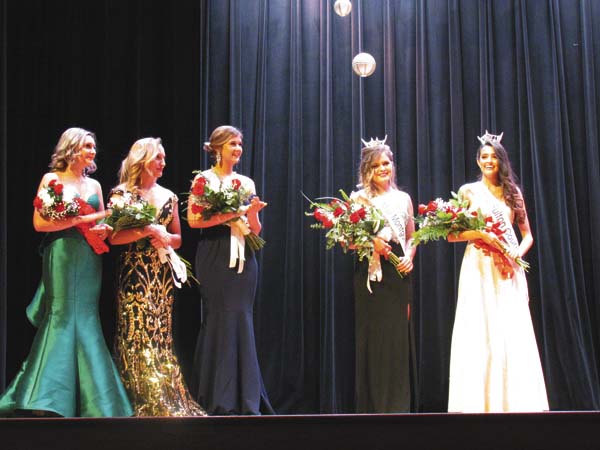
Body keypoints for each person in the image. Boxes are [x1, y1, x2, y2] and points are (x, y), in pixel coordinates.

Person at [0, 127, 132, 417]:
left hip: (89, 257)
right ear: (71, 149)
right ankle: (45, 397)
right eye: (87, 146)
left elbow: (104, 229)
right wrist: (77, 221)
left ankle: (97, 402)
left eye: (93, 147)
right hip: (60, 253)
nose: (92, 151)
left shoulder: (95, 185)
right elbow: (39, 224)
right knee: (60, 315)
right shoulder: (52, 180)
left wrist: (105, 227)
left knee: (86, 315)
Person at [447, 132, 548, 412]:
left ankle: (513, 402)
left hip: (506, 268)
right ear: (478, 161)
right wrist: (481, 234)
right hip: (478, 266)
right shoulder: (468, 192)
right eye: (484, 156)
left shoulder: (513, 193)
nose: (489, 161)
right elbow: (452, 235)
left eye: (493, 156)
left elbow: (527, 235)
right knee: (479, 328)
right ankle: (479, 403)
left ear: (501, 160)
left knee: (509, 329)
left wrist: (517, 252)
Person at [108, 137, 206, 416]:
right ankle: (133, 397)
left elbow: (178, 239)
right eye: (158, 158)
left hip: (161, 272)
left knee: (159, 331)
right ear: (143, 160)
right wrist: (145, 231)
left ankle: (162, 393)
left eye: (164, 158)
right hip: (133, 271)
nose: (163, 163)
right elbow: (114, 238)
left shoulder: (169, 196)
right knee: (134, 329)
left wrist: (164, 238)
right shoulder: (121, 194)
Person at [187, 125, 273, 415]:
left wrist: (252, 214)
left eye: (239, 144)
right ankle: (217, 396)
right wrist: (232, 214)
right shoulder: (204, 179)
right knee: (218, 317)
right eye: (232, 144)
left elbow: (255, 230)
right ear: (217, 148)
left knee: (241, 318)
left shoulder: (245, 182)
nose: (237, 149)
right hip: (215, 253)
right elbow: (194, 221)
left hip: (244, 256)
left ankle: (246, 397)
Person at [350, 137, 416, 413]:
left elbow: (412, 237)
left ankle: (398, 406)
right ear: (367, 169)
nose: (382, 168)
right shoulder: (359, 199)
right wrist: (371, 242)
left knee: (396, 339)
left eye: (386, 163)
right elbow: (347, 241)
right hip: (370, 273)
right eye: (376, 165)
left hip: (398, 273)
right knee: (373, 338)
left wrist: (409, 256)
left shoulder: (403, 199)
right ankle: (372, 406)